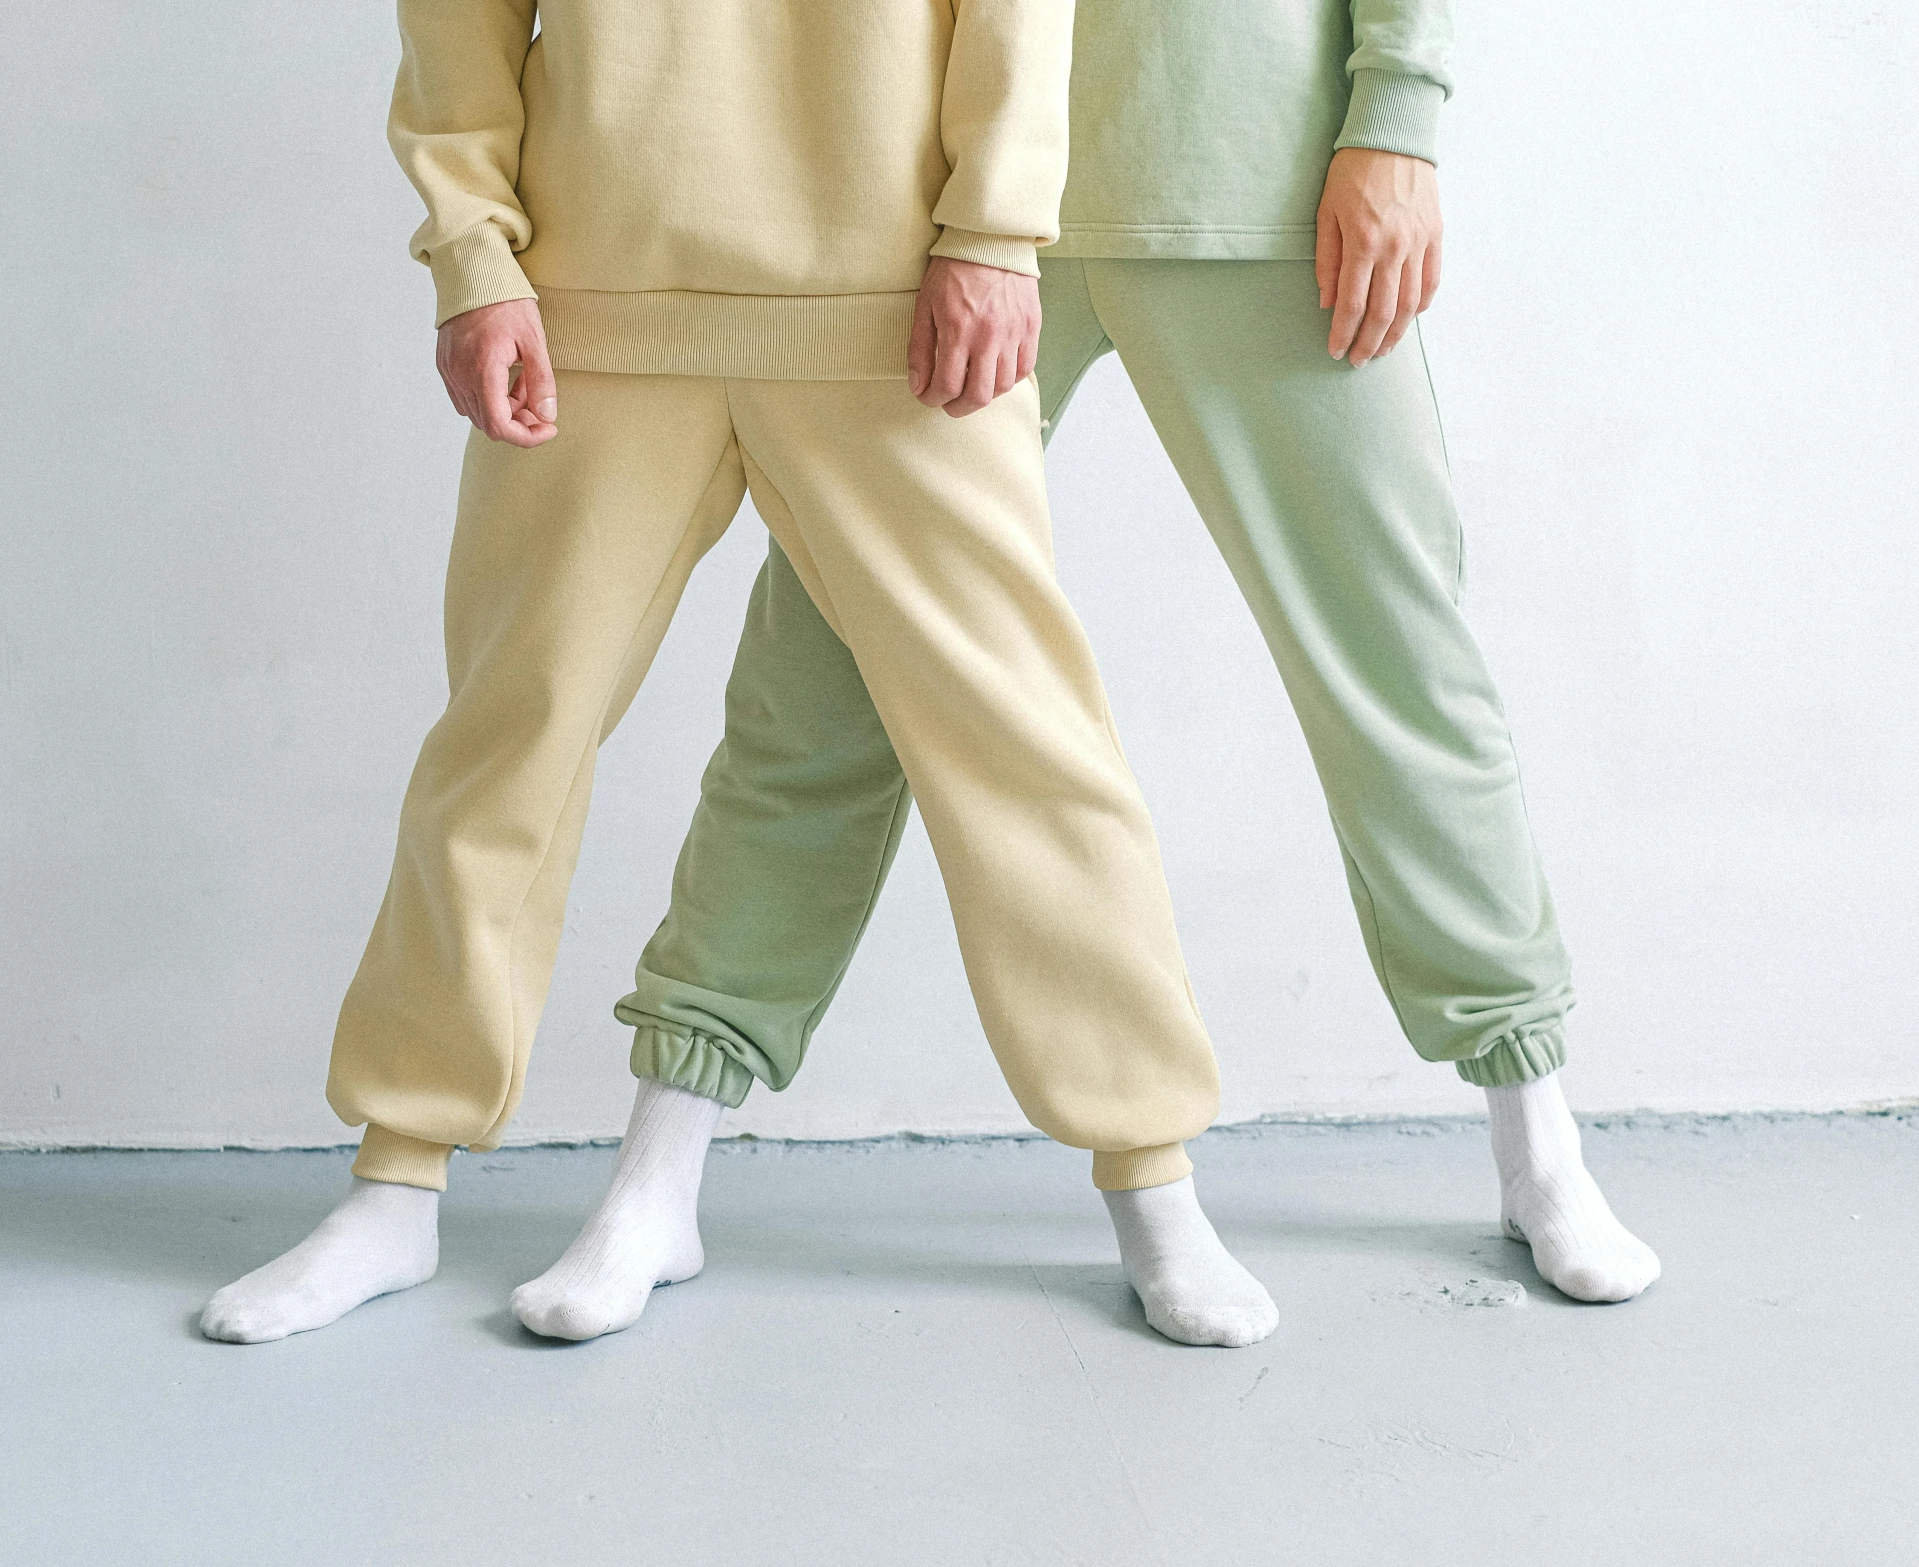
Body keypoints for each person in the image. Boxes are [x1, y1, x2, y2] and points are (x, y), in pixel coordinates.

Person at [198, 0, 1277, 1349]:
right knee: (508, 739)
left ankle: (1152, 1178)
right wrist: (473, 254)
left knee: (1025, 748)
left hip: (896, 302)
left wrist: (994, 229)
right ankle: (395, 1181)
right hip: (593, 293)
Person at [571, 0, 1662, 1312]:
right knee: (821, 680)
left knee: (1391, 666)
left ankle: (1536, 1137)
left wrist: (1399, 124)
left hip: (1246, 169)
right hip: (943, 202)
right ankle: (661, 1159)